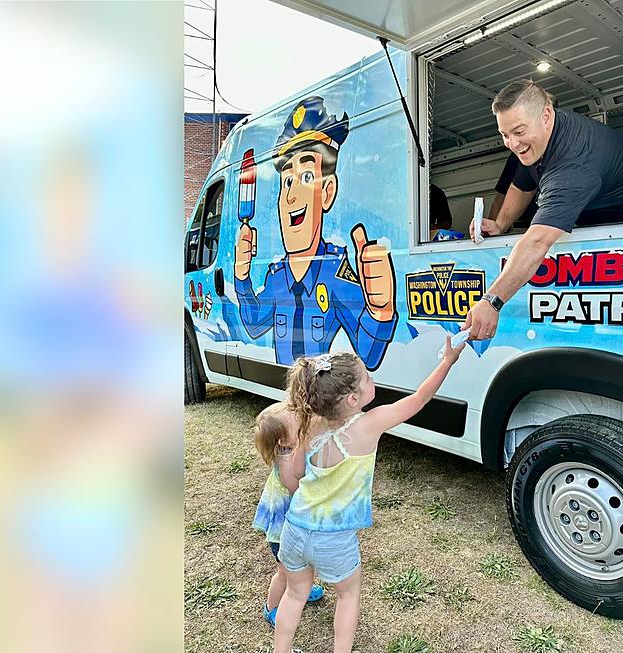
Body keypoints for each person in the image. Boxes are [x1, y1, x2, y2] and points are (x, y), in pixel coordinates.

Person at [273, 341, 466, 653]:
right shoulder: (369, 425)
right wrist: (447, 361)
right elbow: (419, 399)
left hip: (295, 528)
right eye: (368, 378)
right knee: (347, 596)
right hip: (335, 539)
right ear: (353, 398)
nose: (371, 380)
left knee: (294, 595)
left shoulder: (310, 426)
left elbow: (296, 472)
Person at [464, 79, 623, 341]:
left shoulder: (573, 163)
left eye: (518, 132)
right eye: (504, 134)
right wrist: (500, 224)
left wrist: (491, 301)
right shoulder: (536, 139)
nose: (512, 144)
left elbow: (538, 239)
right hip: (601, 215)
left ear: (546, 115)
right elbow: (523, 183)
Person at [234, 95, 398, 369]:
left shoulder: (335, 272)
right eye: (287, 181)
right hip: (291, 399)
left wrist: (381, 312)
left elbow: (368, 355)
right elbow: (253, 323)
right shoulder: (277, 277)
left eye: (307, 178)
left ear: (328, 193)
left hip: (322, 402)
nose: (291, 197)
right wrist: (241, 275)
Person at [250, 403, 324, 628]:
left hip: (295, 528)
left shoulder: (292, 451)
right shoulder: (285, 463)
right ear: (283, 440)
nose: (304, 424)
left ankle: (303, 586)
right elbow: (297, 489)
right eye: (298, 423)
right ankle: (271, 608)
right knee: (284, 572)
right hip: (282, 534)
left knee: (302, 565)